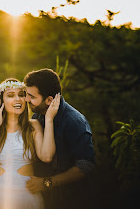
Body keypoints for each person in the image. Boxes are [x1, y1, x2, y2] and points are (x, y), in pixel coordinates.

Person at [0, 78, 60, 209]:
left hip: (28, 197)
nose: (18, 99)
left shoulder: (33, 126)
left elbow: (47, 156)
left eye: (21, 95)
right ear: (0, 101)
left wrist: (49, 120)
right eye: (10, 95)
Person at [24, 69, 95, 209]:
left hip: (70, 199)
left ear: (49, 100)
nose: (27, 100)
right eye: (27, 95)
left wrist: (47, 183)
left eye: (32, 97)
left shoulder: (74, 121)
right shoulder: (37, 116)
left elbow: (86, 165)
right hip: (42, 198)